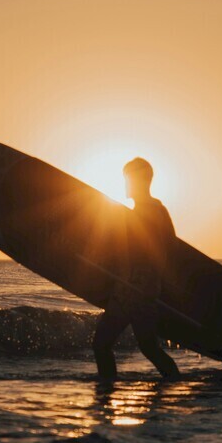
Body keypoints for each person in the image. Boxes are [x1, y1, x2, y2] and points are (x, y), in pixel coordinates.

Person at [93, 158, 180, 383]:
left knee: (102, 344)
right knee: (147, 347)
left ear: (140, 181)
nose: (125, 185)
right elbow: (170, 247)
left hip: (134, 288)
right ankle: (173, 383)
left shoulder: (147, 212)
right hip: (141, 287)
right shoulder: (157, 210)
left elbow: (151, 249)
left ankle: (106, 392)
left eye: (128, 180)